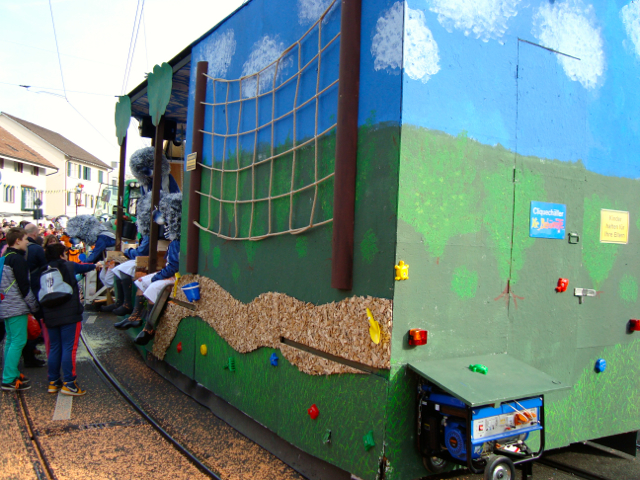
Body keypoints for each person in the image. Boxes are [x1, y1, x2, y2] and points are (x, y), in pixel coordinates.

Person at [33, 243, 86, 396]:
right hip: (69, 314)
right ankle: (69, 383)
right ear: (62, 254)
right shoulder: (68, 266)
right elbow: (85, 267)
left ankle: (53, 381)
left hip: (50, 314)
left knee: (55, 347)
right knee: (69, 348)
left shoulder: (42, 270)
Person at [133, 193, 182, 345]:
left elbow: (174, 266)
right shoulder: (175, 240)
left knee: (153, 287)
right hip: (170, 272)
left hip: (177, 275)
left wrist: (157, 277)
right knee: (141, 281)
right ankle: (135, 315)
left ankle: (149, 328)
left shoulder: (177, 242)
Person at [0, 228, 39, 391]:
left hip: (5, 305)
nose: (27, 242)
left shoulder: (5, 257)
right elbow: (24, 286)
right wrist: (34, 306)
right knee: (18, 341)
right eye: (24, 239)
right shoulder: (18, 259)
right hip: (16, 306)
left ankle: (11, 373)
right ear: (17, 241)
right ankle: (9, 378)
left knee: (10, 340)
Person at [104, 192, 152, 315]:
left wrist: (128, 251)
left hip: (148, 259)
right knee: (119, 268)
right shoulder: (147, 231)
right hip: (145, 257)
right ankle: (120, 302)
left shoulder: (149, 232)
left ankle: (126, 304)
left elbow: (141, 251)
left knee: (122, 268)